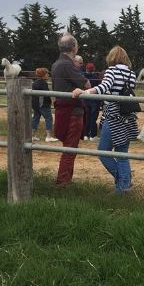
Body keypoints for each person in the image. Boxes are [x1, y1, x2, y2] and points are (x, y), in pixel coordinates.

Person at [72, 46, 138, 194]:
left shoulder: (111, 71)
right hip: (127, 115)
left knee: (103, 151)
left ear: (112, 58)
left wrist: (85, 92)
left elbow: (104, 86)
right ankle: (124, 185)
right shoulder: (131, 73)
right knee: (122, 153)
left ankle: (123, 183)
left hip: (113, 115)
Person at [51, 33, 89, 185]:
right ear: (74, 47)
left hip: (63, 109)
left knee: (69, 149)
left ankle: (65, 181)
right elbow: (86, 84)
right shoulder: (67, 65)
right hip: (72, 112)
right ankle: (63, 183)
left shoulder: (57, 64)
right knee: (70, 150)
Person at [31, 68, 57, 143]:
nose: (48, 75)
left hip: (35, 105)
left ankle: (32, 136)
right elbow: (46, 95)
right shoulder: (43, 83)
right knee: (49, 118)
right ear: (43, 75)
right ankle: (48, 136)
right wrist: (49, 102)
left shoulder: (35, 83)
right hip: (43, 105)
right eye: (47, 74)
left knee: (35, 118)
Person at [83, 62, 102, 141]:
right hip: (94, 99)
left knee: (87, 117)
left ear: (86, 69)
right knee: (93, 118)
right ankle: (93, 135)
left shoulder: (83, 77)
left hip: (86, 99)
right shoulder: (96, 77)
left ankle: (85, 135)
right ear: (93, 69)